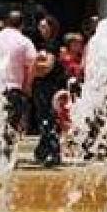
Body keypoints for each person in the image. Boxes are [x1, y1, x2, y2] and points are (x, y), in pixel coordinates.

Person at [0, 11, 36, 164]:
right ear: (22, 25)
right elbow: (32, 63)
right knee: (11, 123)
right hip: (14, 88)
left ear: (7, 22)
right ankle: (4, 157)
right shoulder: (24, 41)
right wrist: (28, 85)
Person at [31, 15, 66, 167]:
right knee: (43, 118)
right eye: (40, 26)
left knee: (48, 118)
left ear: (51, 28)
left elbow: (47, 67)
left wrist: (32, 70)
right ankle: (42, 149)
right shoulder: (43, 45)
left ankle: (53, 152)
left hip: (48, 86)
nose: (41, 29)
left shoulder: (51, 45)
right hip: (41, 86)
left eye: (44, 26)